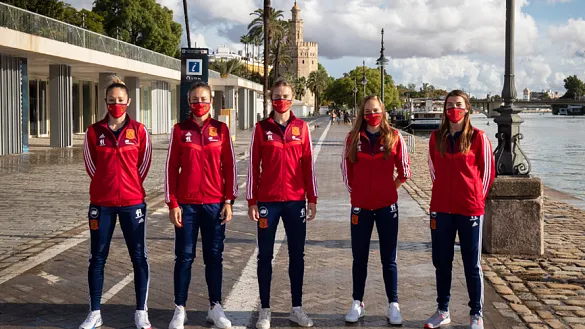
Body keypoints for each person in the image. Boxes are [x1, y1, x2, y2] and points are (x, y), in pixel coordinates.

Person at [81, 76, 153, 329]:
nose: (116, 105)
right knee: (97, 257)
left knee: (139, 257)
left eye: (120, 100)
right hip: (102, 204)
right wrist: (105, 184)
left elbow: (143, 164)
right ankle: (95, 312)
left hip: (133, 204)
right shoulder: (94, 131)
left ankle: (141, 312)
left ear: (129, 102)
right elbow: (91, 166)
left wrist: (132, 185)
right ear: (105, 103)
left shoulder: (140, 131)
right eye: (111, 101)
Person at [247, 79, 318, 329]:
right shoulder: (261, 129)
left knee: (297, 255)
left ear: (293, 97)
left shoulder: (302, 128)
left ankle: (296, 308)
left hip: (296, 201)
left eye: (286, 96)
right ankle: (265, 309)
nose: (281, 100)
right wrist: (252, 201)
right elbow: (253, 166)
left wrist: (313, 198)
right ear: (271, 98)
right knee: (264, 256)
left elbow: (308, 165)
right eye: (277, 96)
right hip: (268, 202)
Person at [165, 82, 237, 329]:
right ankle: (180, 308)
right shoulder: (179, 130)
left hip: (215, 205)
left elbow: (230, 167)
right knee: (184, 257)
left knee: (214, 257)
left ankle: (215, 307)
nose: (199, 103)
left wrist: (228, 200)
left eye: (204, 98)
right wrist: (172, 203)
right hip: (187, 205)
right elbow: (171, 169)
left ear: (212, 101)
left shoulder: (221, 129)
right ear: (189, 102)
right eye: (195, 99)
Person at [425, 90, 495, 329]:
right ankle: (442, 310)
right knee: (442, 262)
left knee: (471, 264)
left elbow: (487, 173)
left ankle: (476, 314)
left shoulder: (478, 137)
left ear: (468, 109)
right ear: (444, 110)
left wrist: (475, 200)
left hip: (470, 210)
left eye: (458, 104)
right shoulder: (436, 138)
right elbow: (433, 170)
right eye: (449, 105)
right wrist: (442, 194)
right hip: (442, 209)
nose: (454, 109)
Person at [340, 95, 412, 325]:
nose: (372, 115)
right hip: (360, 207)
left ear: (383, 112)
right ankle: (357, 302)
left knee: (388, 259)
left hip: (386, 207)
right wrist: (358, 193)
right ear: (363, 113)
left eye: (376, 111)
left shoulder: (394, 137)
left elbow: (405, 171)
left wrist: (390, 189)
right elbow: (347, 172)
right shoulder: (353, 138)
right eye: (368, 111)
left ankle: (393, 304)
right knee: (359, 258)